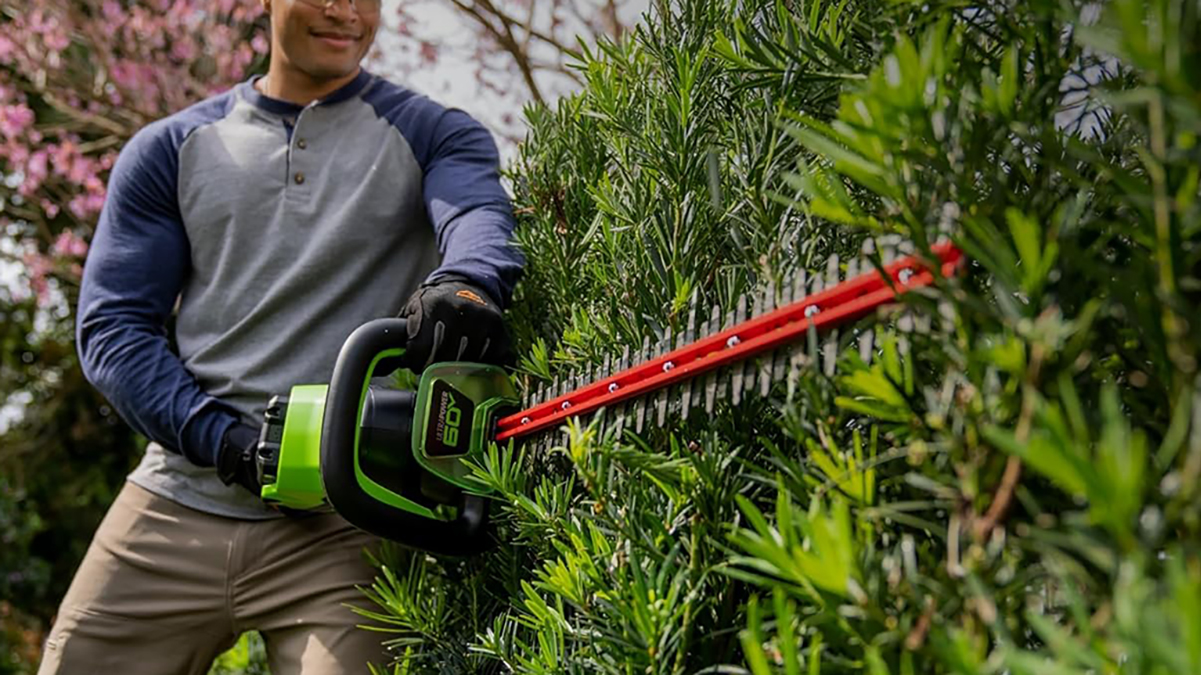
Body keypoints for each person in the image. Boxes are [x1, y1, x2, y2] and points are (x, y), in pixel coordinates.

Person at [37, 0, 522, 671]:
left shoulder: (433, 133)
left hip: (348, 522)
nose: (342, 10)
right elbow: (113, 328)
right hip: (177, 500)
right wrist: (225, 443)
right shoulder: (171, 148)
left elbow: (476, 216)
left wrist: (464, 284)